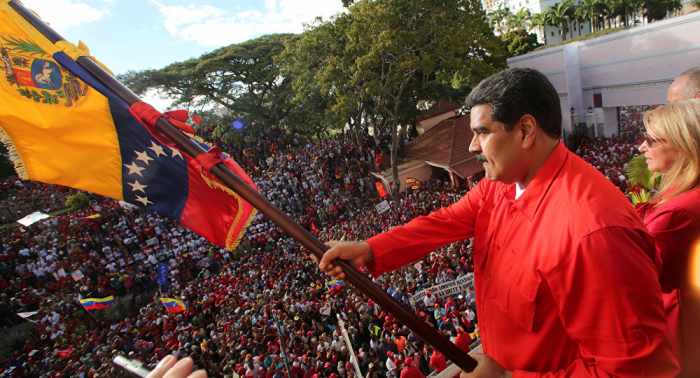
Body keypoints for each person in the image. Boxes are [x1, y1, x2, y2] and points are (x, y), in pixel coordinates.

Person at [316, 68, 679, 377]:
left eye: (482, 132)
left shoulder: (594, 233)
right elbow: (447, 220)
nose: (473, 147)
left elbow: (637, 370)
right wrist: (370, 249)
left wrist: (508, 376)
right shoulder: (502, 184)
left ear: (525, 131)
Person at [637, 99, 700, 377]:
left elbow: (628, 276)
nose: (642, 148)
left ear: (682, 143)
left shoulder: (679, 213)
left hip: (679, 349)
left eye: (650, 140)